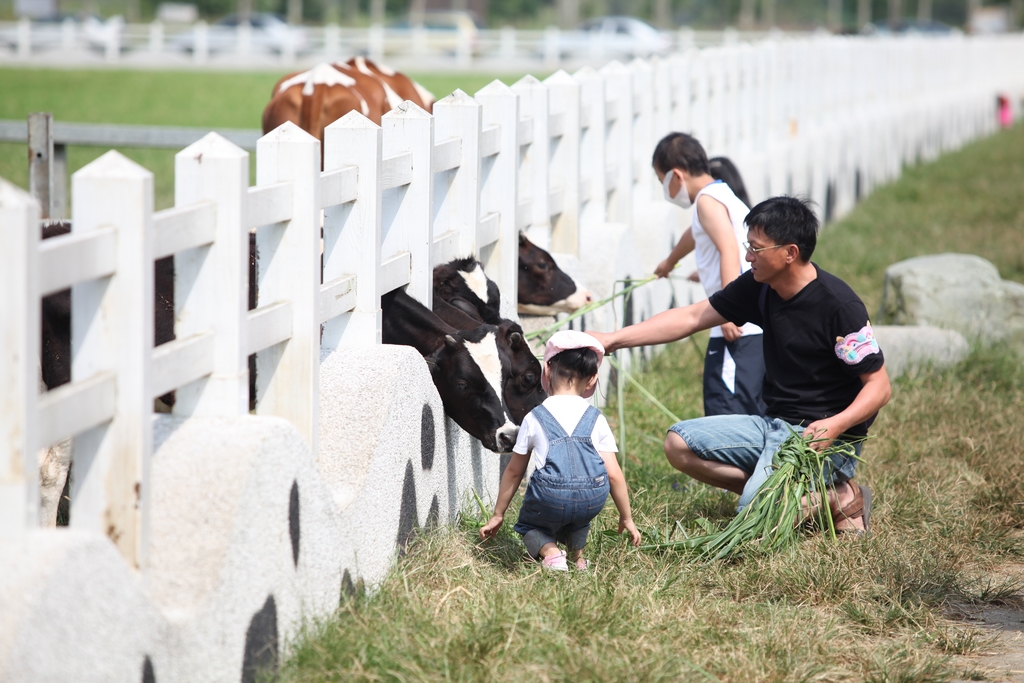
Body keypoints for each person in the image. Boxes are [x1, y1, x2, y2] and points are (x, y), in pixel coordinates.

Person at [590, 196, 891, 533]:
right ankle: (777, 495)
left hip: (823, 439)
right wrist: (611, 339)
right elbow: (691, 317)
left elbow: (880, 387)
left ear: (790, 253)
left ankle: (837, 494)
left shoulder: (839, 306)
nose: (748, 257)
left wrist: (834, 426)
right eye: (748, 246)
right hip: (775, 425)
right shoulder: (760, 286)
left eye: (756, 249)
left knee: (754, 526)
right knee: (678, 444)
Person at [480, 331, 642, 570]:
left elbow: (514, 471)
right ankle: (578, 560)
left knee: (529, 525)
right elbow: (614, 474)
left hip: (551, 496)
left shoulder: (534, 418)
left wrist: (498, 514)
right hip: (593, 497)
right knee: (580, 514)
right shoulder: (596, 418)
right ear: (592, 380)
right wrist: (626, 517)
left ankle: (552, 554)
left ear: (547, 370)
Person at [653, 133, 766, 417]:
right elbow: (694, 235)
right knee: (749, 411)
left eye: (662, 181)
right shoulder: (720, 194)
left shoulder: (706, 202)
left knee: (728, 416)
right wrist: (669, 262)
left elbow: (729, 249)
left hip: (737, 329)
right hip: (752, 324)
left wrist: (728, 313)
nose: (665, 190)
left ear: (676, 175)